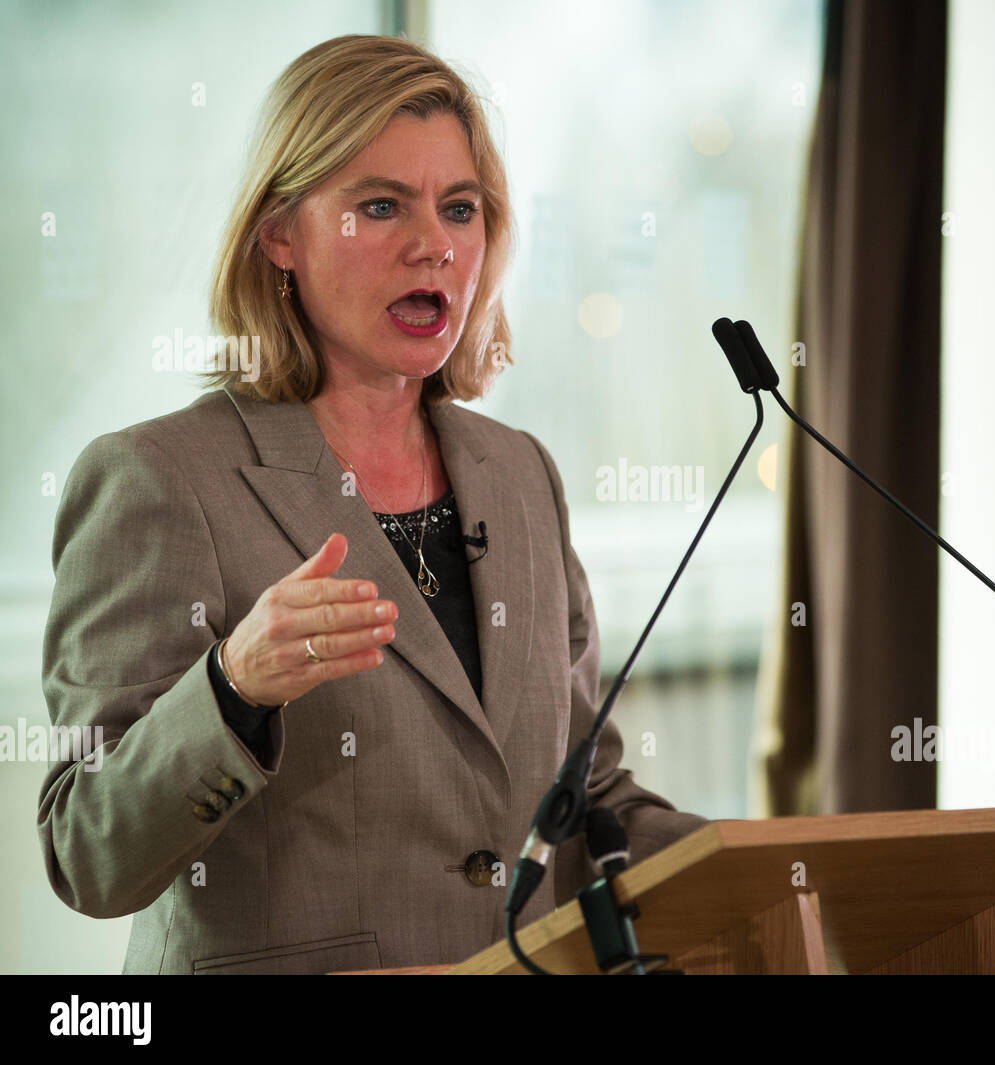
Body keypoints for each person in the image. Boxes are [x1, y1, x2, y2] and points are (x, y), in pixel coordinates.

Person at [38, 34, 707, 975]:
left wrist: (786, 869)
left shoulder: (520, 476)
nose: (433, 243)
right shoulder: (158, 478)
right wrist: (232, 688)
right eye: (381, 206)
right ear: (280, 235)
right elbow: (87, 854)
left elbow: (581, 789)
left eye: (460, 209)